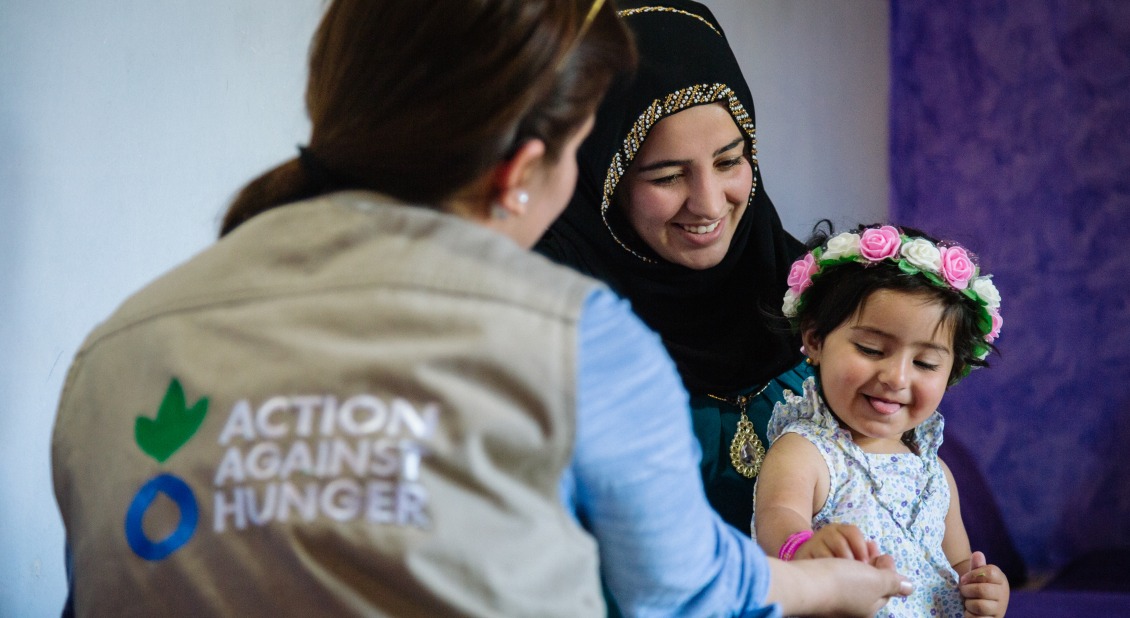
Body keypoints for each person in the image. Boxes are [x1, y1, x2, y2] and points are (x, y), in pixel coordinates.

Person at [51, 0, 911, 615]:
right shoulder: (573, 338)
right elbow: (683, 592)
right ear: (524, 170)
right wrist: (828, 586)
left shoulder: (121, 344)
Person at [535, 0, 810, 532]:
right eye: (666, 177)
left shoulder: (817, 289)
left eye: (729, 161)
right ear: (601, 175)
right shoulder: (551, 314)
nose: (708, 204)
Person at [752, 224, 1011, 617]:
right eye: (871, 349)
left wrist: (984, 591)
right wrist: (804, 551)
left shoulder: (935, 473)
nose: (896, 378)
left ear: (952, 372)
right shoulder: (806, 451)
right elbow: (777, 519)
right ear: (816, 340)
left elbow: (957, 565)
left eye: (925, 363)